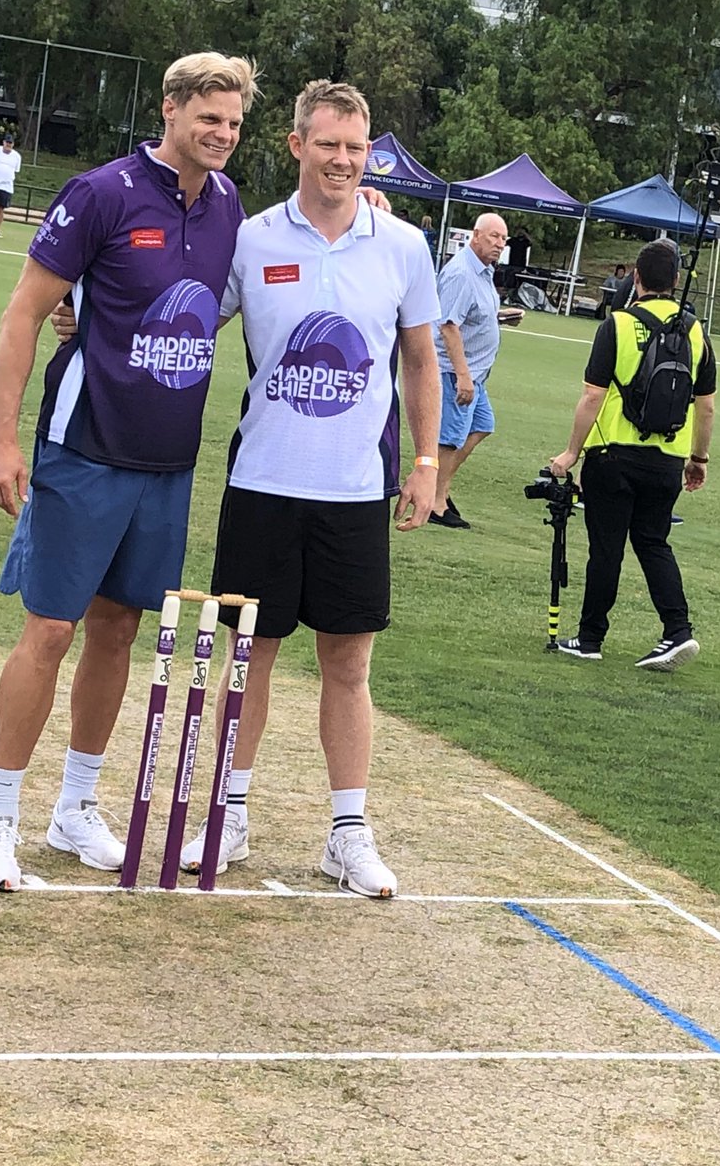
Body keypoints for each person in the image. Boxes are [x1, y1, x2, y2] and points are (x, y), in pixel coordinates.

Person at [0, 53, 260, 891]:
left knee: (120, 631)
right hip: (82, 448)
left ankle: (74, 810)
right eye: (210, 118)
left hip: (168, 466)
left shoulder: (232, 205)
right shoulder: (101, 193)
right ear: (170, 109)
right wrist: (2, 439)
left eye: (234, 123)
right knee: (50, 629)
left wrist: (364, 201)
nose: (223, 135)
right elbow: (26, 313)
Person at [175, 79, 441, 898]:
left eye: (356, 148)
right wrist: (85, 312)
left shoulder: (402, 246)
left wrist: (425, 465)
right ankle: (231, 816)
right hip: (262, 483)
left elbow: (422, 361)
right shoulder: (251, 240)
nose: (342, 160)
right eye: (328, 144)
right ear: (296, 145)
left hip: (357, 491)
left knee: (349, 664)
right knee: (248, 658)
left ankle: (348, 834)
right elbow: (184, 317)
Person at [548, 238, 716, 669]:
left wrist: (571, 453)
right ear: (677, 281)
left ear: (635, 277)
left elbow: (592, 396)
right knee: (653, 541)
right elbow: (707, 404)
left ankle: (590, 637)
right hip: (668, 459)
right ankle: (677, 630)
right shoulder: (696, 331)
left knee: (606, 548)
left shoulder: (617, 325)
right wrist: (698, 459)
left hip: (613, 455)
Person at [428, 212, 518, 530]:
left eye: (503, 239)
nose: (498, 244)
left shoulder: (483, 273)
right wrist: (463, 375)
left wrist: (500, 318)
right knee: (451, 438)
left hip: (476, 373)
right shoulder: (462, 273)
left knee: (482, 426)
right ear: (475, 235)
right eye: (493, 236)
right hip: (456, 372)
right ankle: (434, 503)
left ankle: (441, 489)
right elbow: (449, 326)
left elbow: (472, 315)